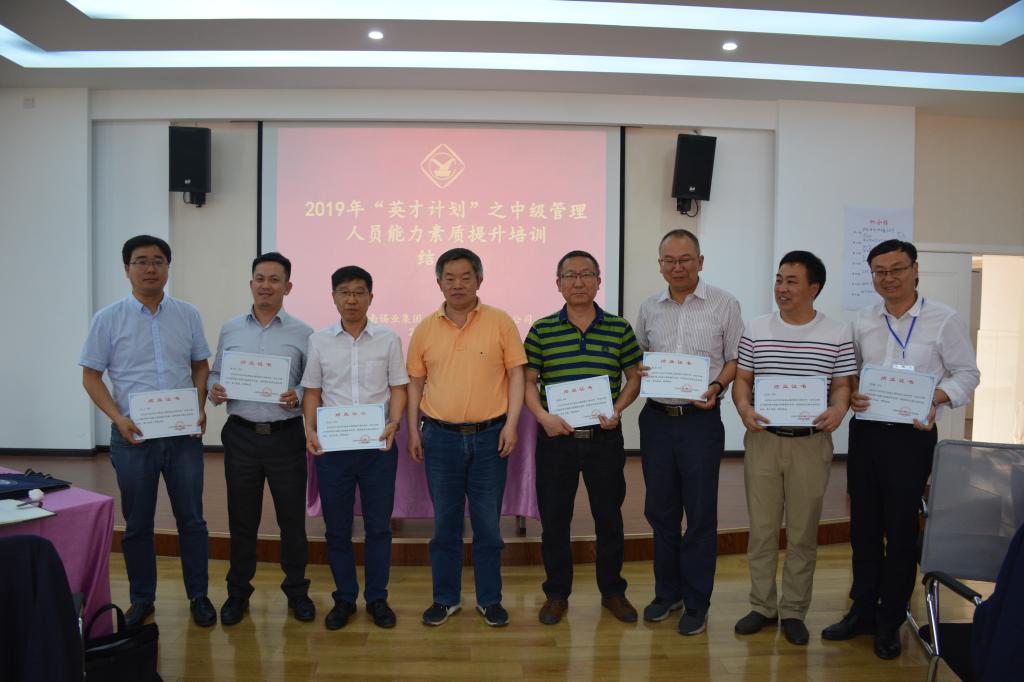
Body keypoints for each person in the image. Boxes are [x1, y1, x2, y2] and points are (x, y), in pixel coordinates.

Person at [822, 239, 979, 659]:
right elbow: (851, 374)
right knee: (864, 526)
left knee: (901, 527)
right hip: (868, 433)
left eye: (897, 269)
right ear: (872, 276)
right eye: (880, 271)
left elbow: (967, 374)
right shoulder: (862, 320)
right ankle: (862, 609)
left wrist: (935, 399)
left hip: (912, 435)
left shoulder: (944, 320)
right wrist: (854, 393)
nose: (888, 278)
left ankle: (890, 617)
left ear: (915, 270)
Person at [80, 234, 216, 628]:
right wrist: (117, 417)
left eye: (158, 260)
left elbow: (200, 366)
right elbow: (91, 376)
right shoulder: (108, 319)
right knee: (138, 523)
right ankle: (142, 598)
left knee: (192, 520)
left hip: (182, 437)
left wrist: (199, 406)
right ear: (127, 269)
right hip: (133, 437)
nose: (150, 268)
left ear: (168, 267)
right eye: (141, 261)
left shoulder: (187, 314)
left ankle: (199, 595)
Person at [732, 250, 854, 645]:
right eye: (779, 279)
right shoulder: (757, 328)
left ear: (813, 288)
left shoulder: (837, 332)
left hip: (811, 444)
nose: (782, 288)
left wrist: (839, 410)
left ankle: (795, 610)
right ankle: (762, 606)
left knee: (802, 533)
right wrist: (744, 408)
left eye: (791, 281)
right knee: (762, 531)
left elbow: (842, 385)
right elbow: (743, 379)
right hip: (764, 440)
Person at [406, 248, 526, 628]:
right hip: (440, 439)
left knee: (488, 526)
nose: (457, 284)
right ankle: (445, 599)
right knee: (445, 525)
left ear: (479, 280)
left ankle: (490, 600)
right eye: (449, 278)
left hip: (490, 437)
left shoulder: (500, 322)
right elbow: (415, 383)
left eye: (465, 277)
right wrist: (413, 429)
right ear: (439, 282)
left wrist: (511, 425)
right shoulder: (425, 328)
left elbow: (517, 375)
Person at [633, 229, 744, 635]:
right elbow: (639, 356)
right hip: (657, 419)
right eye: (669, 260)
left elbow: (735, 358)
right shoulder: (649, 307)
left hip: (700, 420)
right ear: (660, 264)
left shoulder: (724, 304)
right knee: (660, 510)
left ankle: (697, 601)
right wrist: (640, 369)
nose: (677, 267)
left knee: (699, 513)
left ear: (700, 261)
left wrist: (716, 386)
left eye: (685, 259)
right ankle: (667, 593)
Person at [524, 250, 642, 626]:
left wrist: (618, 409)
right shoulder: (541, 330)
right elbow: (528, 381)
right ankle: (556, 594)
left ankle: (613, 592)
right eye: (570, 275)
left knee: (608, 518)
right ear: (558, 283)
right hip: (556, 439)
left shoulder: (619, 328)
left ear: (598, 281)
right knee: (555, 520)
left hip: (603, 439)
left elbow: (634, 377)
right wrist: (543, 417)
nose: (578, 282)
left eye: (586, 274)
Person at [207, 252, 314, 625]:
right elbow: (216, 372)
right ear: (251, 283)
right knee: (242, 519)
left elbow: (311, 382)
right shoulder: (231, 329)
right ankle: (238, 592)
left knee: (291, 521)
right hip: (242, 436)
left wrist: (297, 394)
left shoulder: (304, 332)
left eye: (274, 279)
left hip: (285, 438)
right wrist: (214, 388)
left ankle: (297, 591)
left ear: (288, 287)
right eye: (260, 278)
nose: (266, 285)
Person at [301, 266, 409, 630]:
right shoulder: (319, 340)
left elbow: (398, 388)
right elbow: (312, 392)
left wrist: (395, 422)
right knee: (337, 528)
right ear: (333, 297)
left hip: (378, 448)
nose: (352, 299)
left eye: (359, 292)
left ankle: (377, 598)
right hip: (333, 450)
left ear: (370, 297)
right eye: (345, 292)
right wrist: (310, 429)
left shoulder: (388, 339)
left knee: (378, 527)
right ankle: (344, 598)